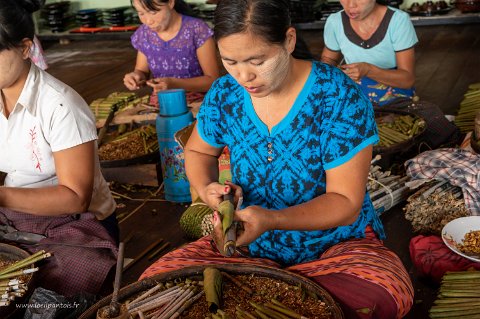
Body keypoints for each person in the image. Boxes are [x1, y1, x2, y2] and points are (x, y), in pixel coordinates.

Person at [140, 1, 414, 318]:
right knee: (155, 285)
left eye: (257, 60)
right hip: (244, 243)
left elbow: (345, 201)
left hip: (332, 246)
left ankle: (269, 285)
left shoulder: (338, 96)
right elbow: (199, 150)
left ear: (289, 40)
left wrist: (273, 220)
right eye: (229, 61)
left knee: (381, 294)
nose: (244, 75)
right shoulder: (225, 93)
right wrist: (206, 188)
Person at [0, 0, 118, 297]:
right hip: (15, 215)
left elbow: (75, 198)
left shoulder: (60, 105)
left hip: (78, 226)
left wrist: (1, 196)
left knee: (55, 281)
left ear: (26, 48)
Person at [321, 0, 417, 106]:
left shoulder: (398, 20)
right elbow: (327, 62)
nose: (351, 5)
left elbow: (407, 80)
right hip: (354, 97)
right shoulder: (335, 22)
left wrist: (368, 70)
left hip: (395, 97)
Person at [123, 0, 220, 106]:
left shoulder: (197, 30)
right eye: (141, 13)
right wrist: (136, 76)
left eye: (153, 12)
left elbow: (212, 81)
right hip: (162, 103)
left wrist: (174, 84)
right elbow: (141, 71)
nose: (148, 21)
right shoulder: (144, 34)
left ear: (170, 3)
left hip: (200, 103)